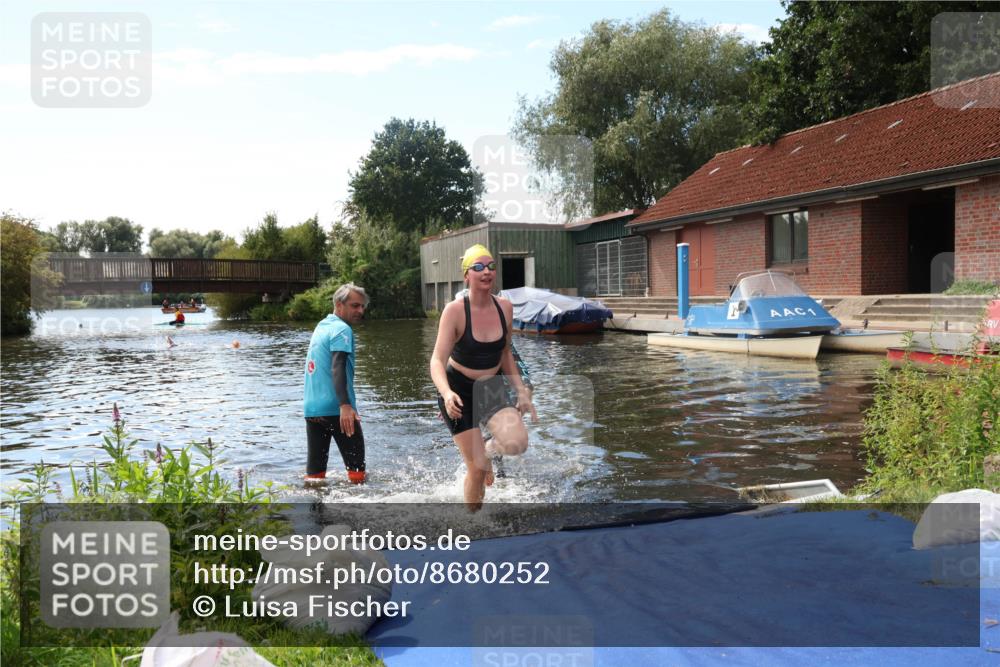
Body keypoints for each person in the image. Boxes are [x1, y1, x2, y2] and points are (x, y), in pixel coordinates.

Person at [430, 244, 536, 510]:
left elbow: (505, 354)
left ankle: (489, 450)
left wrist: (521, 390)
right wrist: (446, 393)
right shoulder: (454, 311)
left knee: (517, 443)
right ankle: (473, 522)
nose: (486, 272)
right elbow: (436, 361)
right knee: (476, 469)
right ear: (467, 275)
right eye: (478, 267)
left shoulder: (505, 308)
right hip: (458, 391)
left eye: (490, 266)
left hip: (490, 386)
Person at [303, 283, 369, 485]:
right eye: (355, 305)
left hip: (313, 410)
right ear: (339, 305)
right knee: (358, 475)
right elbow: (337, 366)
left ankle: (316, 514)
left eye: (362, 307)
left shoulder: (322, 326)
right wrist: (345, 406)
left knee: (314, 477)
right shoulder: (342, 329)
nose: (360, 311)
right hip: (337, 409)